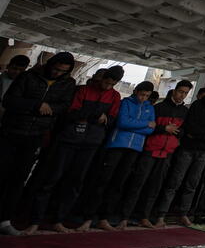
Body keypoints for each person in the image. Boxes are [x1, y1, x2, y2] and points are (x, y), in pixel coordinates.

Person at [26, 65, 124, 234]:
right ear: (102, 78)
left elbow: (111, 120)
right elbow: (72, 112)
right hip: (68, 140)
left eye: (111, 84)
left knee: (74, 182)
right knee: (51, 179)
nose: (107, 87)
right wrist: (96, 115)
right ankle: (35, 220)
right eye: (106, 82)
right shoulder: (84, 90)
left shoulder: (115, 96)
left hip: (91, 144)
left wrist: (92, 116)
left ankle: (59, 219)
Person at [0, 52, 76, 236]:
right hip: (11, 131)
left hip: (36, 135)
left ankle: (4, 220)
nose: (58, 73)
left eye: (63, 71)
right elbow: (10, 100)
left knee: (18, 179)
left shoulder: (67, 83)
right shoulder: (28, 77)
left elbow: (64, 106)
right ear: (50, 64)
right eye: (56, 69)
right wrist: (37, 105)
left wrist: (49, 108)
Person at [78, 80, 156, 231]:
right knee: (103, 181)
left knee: (118, 184)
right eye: (141, 94)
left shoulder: (150, 108)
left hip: (134, 149)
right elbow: (122, 122)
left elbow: (151, 130)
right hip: (116, 145)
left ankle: (104, 218)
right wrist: (144, 124)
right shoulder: (126, 102)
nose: (143, 98)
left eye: (146, 96)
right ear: (136, 92)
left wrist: (141, 126)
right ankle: (88, 217)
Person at [120, 80, 192, 229]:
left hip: (166, 153)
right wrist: (164, 128)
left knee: (155, 187)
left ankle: (144, 217)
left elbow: (184, 132)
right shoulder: (158, 107)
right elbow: (150, 127)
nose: (182, 95)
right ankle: (124, 217)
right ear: (174, 91)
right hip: (150, 150)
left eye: (185, 93)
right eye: (180, 91)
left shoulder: (185, 112)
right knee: (137, 184)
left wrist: (177, 133)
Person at [152, 85, 205, 227]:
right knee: (174, 182)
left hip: (203, 151)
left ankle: (183, 214)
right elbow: (190, 127)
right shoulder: (197, 105)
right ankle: (161, 214)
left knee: (192, 184)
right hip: (188, 148)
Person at [0, 55, 29, 119]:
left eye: (21, 70)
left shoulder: (23, 83)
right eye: (14, 68)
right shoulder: (2, 79)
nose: (17, 72)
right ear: (8, 66)